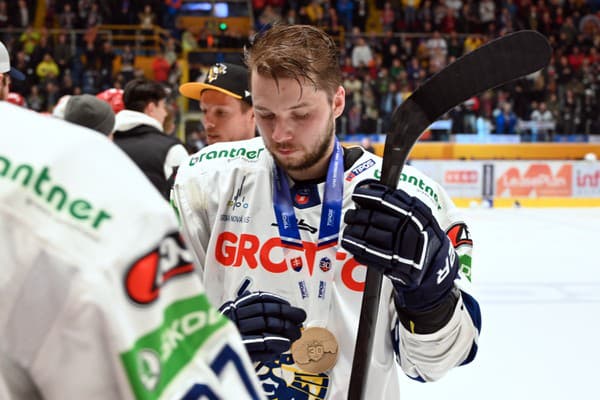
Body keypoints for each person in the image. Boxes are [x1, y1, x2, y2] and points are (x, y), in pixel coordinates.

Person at [172, 24, 481, 399]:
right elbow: (148, 330)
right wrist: (212, 337)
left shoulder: (411, 199)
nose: (281, 134)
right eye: (266, 115)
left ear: (337, 102)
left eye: (300, 115)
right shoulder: (205, 183)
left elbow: (434, 364)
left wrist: (429, 295)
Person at [0, 102, 264, 399]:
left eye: (218, 111)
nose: (208, 122)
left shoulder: (42, 158)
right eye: (205, 111)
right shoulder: (167, 162)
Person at [113, 78, 188, 200]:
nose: (165, 113)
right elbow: (185, 202)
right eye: (163, 106)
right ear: (151, 108)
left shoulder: (103, 141)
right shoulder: (171, 150)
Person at [179, 62, 256, 145]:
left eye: (220, 113)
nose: (207, 124)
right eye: (204, 111)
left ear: (252, 114)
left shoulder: (269, 156)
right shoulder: (196, 157)